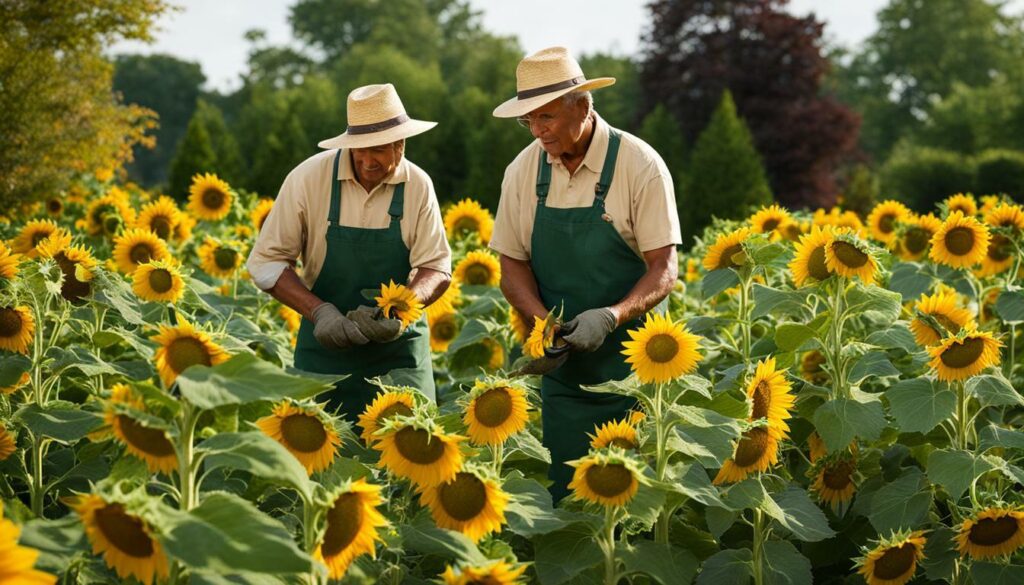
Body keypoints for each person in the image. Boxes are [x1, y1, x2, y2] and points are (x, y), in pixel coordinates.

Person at [490, 47, 682, 501]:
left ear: (584, 104)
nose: (538, 131)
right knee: (568, 499)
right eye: (529, 120)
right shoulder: (522, 171)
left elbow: (664, 267)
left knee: (637, 508)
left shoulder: (640, 165)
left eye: (547, 117)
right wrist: (542, 322)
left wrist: (611, 316)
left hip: (639, 372)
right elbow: (511, 264)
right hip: (566, 376)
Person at [247, 83, 451, 422]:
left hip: (400, 353)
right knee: (322, 467)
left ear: (401, 143)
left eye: (379, 150)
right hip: (325, 351)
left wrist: (399, 311)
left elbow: (435, 267)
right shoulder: (308, 178)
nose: (368, 161)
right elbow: (266, 262)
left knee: (412, 461)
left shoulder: (418, 185)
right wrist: (320, 312)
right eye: (359, 150)